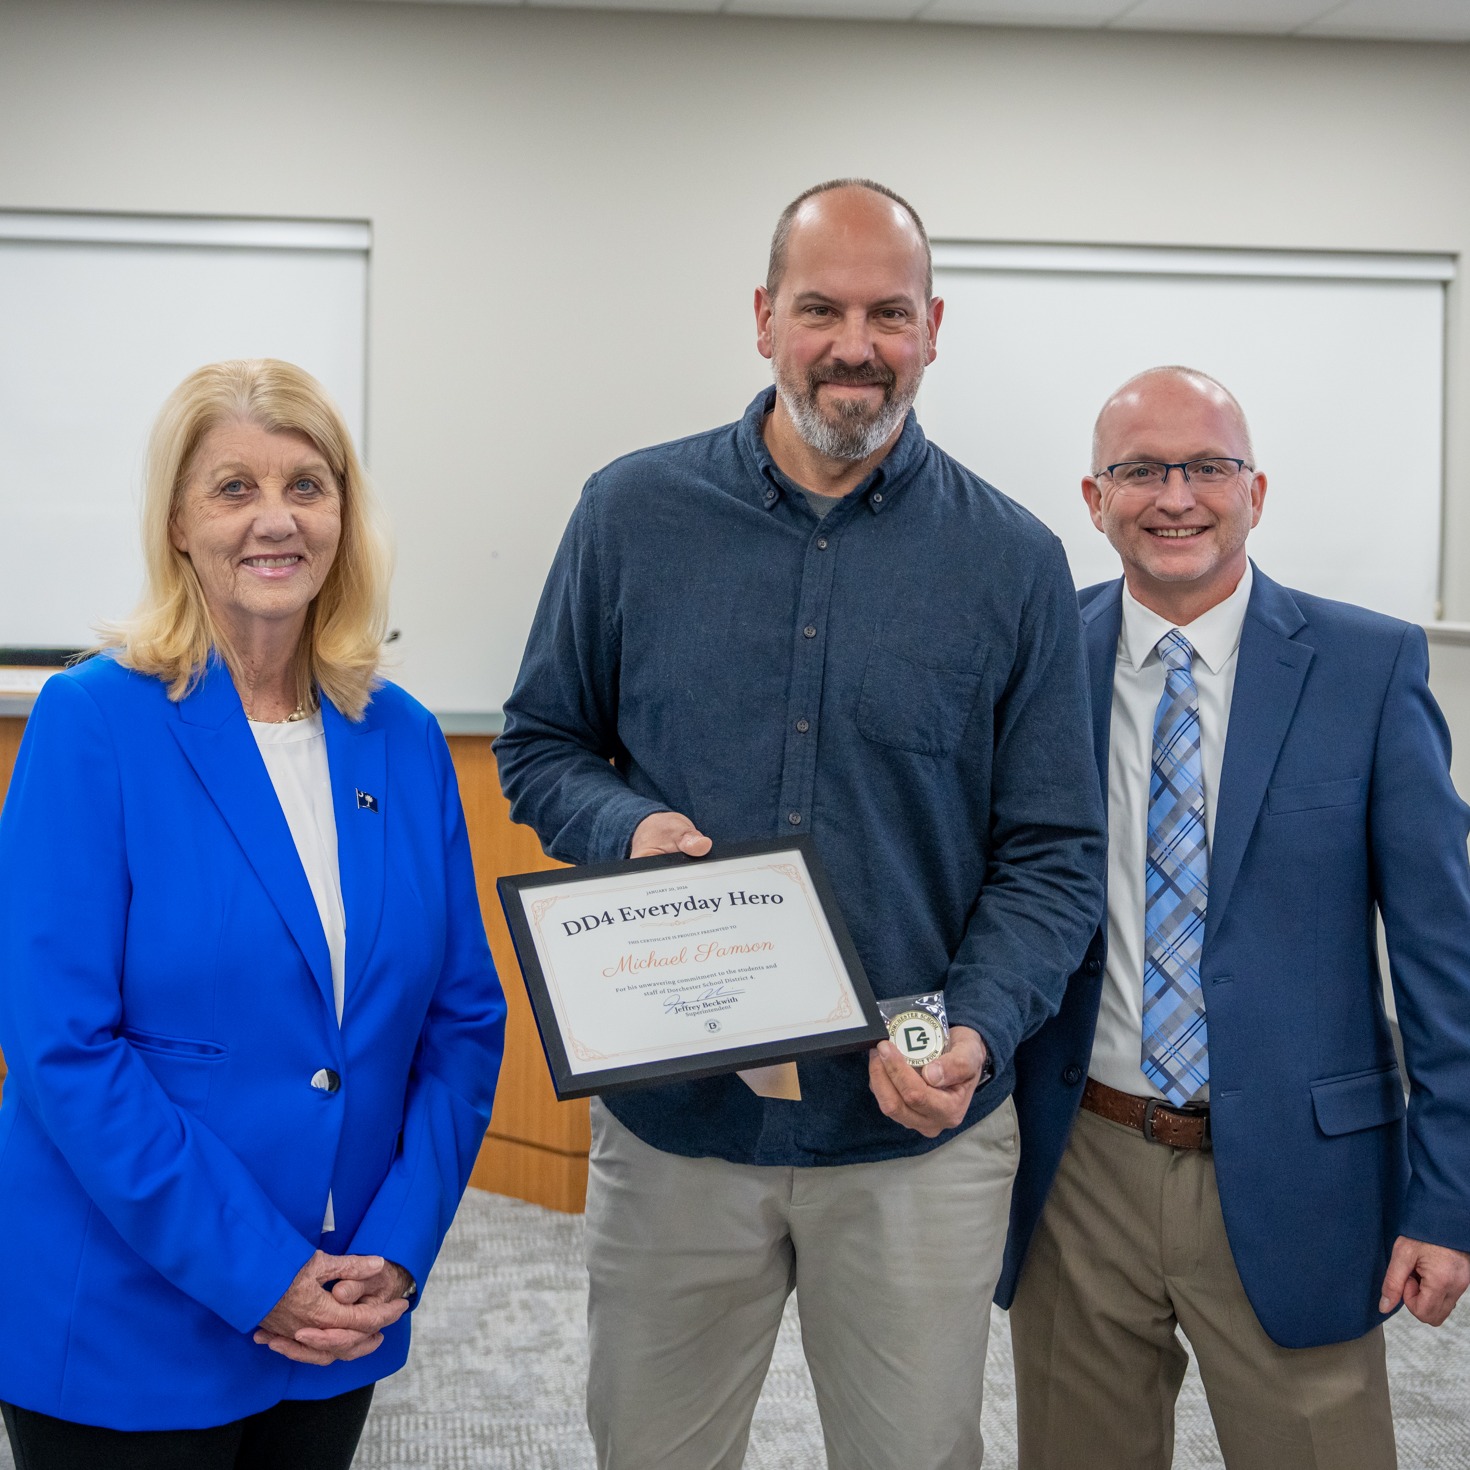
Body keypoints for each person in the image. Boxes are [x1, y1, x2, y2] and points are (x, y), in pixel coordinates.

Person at [496, 178, 1106, 1469]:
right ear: (764, 316)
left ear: (933, 326)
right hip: (679, 1119)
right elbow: (543, 744)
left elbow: (1051, 850)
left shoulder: (1013, 559)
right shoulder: (629, 513)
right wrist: (630, 826)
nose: (853, 344)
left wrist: (977, 1024)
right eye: (820, 307)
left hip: (911, 1135)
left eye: (888, 312)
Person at [0, 359, 507, 1468]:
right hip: (124, 1318)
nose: (275, 519)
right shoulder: (93, 723)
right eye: (233, 488)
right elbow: (62, 1048)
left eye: (306, 485)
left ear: (343, 516)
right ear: (178, 523)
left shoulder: (402, 735)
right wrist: (256, 1273)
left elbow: (463, 1022)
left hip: (339, 1308)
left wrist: (398, 1247)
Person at [999, 365, 1470, 1469]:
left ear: (1256, 490)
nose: (1175, 496)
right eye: (1140, 470)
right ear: (1092, 495)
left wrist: (1449, 1197)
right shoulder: (1034, 664)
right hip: (1083, 1165)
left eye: (1207, 467)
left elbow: (1445, 964)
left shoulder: (1368, 665)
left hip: (1305, 1174)